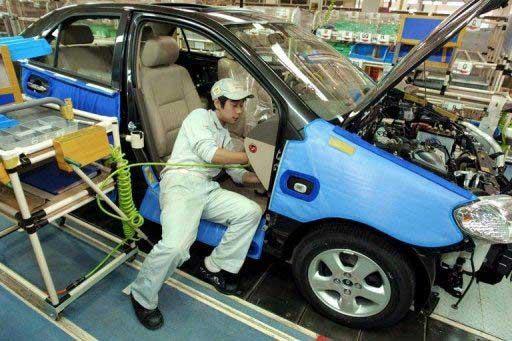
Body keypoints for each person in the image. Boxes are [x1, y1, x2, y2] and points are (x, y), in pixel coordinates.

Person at [130, 78, 262, 330]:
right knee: (176, 247)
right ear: (217, 103)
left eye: (241, 106)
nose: (239, 111)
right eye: (234, 105)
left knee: (250, 212)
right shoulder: (198, 117)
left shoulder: (225, 136)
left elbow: (236, 173)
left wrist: (261, 178)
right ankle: (142, 294)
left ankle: (213, 266)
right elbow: (209, 154)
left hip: (206, 188)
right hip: (181, 183)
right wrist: (252, 156)